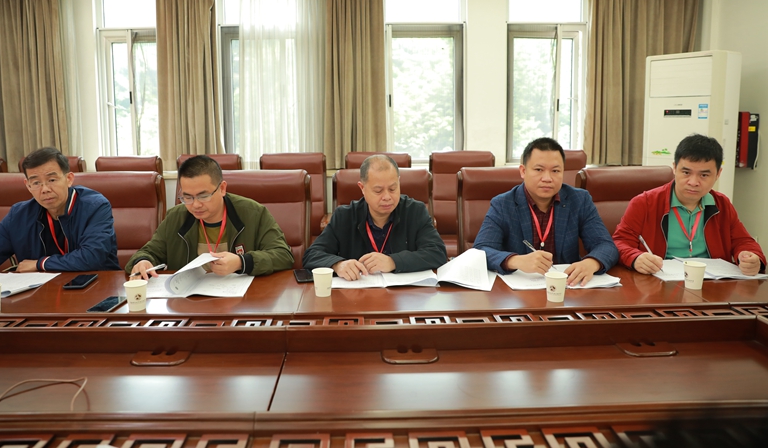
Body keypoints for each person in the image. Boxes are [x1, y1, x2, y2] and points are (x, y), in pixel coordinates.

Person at [473, 137, 618, 286]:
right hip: (518, 291)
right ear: (523, 171)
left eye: (555, 171)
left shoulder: (579, 200)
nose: (547, 178)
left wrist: (591, 263)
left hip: (568, 288)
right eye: (539, 170)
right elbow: (480, 251)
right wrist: (516, 260)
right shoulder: (503, 204)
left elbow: (606, 245)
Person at [614, 134, 765, 275]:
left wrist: (750, 257)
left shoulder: (722, 204)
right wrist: (635, 257)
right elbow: (620, 242)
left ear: (718, 174)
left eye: (704, 175)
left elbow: (743, 241)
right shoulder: (645, 203)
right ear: (674, 168)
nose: (693, 182)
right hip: (659, 281)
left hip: (712, 283)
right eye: (686, 173)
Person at [127, 155, 294, 279]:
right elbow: (148, 252)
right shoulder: (176, 218)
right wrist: (142, 261)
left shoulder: (254, 213)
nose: (195, 205)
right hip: (189, 302)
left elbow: (283, 255)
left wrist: (241, 262)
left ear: (222, 189)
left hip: (242, 301)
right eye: (187, 197)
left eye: (203, 196)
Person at [0, 147, 120, 277]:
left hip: (95, 285)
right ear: (28, 186)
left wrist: (39, 264)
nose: (45, 189)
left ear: (69, 179)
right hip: (40, 292)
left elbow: (91, 257)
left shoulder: (95, 206)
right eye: (36, 183)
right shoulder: (19, 214)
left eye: (52, 180)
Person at [302, 154, 447, 280]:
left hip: (403, 297)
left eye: (393, 188)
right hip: (358, 296)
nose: (387, 197)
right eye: (378, 191)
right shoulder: (344, 216)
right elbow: (312, 255)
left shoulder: (415, 211)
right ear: (362, 188)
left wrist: (393, 261)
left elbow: (438, 253)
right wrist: (337, 264)